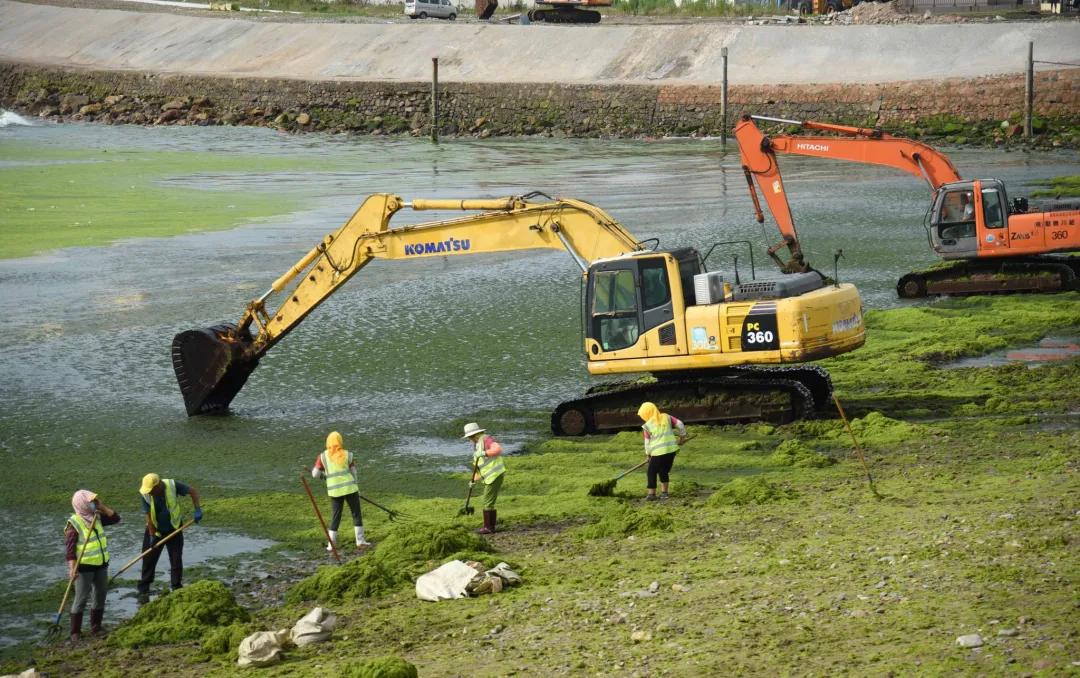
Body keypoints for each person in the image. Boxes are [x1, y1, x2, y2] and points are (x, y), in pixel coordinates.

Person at [64, 490, 120, 641]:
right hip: (83, 567)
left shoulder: (97, 517)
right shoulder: (74, 523)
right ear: (81, 504)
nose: (93, 503)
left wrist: (102, 506)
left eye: (94, 500)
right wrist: (72, 568)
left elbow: (115, 518)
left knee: (100, 594)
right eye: (91, 501)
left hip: (101, 564)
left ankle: (96, 627)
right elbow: (70, 550)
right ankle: (75, 632)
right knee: (81, 598)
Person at [137, 473, 201, 604]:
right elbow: (148, 517)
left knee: (176, 559)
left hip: (174, 529)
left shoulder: (172, 485)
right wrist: (151, 535)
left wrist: (197, 510)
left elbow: (193, 491)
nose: (150, 493)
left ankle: (176, 587)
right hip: (155, 531)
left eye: (151, 490)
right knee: (148, 558)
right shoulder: (145, 495)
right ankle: (144, 588)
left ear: (158, 485)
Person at [311, 431, 370, 550]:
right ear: (340, 441)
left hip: (335, 492)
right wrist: (357, 488)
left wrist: (324, 476)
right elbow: (354, 472)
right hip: (350, 489)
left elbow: (314, 474)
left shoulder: (322, 456)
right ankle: (360, 541)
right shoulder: (348, 455)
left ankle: (331, 545)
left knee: (335, 517)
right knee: (356, 514)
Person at [638, 402, 687, 501]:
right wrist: (682, 438)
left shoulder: (647, 426)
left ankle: (651, 494)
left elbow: (647, 443)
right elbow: (680, 424)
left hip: (658, 452)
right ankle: (664, 494)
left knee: (651, 472)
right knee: (663, 471)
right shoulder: (666, 417)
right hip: (671, 450)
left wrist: (648, 455)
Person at [463, 422, 505, 534]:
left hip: (495, 475)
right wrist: (473, 480)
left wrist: (483, 453)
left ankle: (489, 527)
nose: (469, 440)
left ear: (473, 436)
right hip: (490, 476)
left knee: (487, 501)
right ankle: (490, 526)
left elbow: (498, 450)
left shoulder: (486, 439)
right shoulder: (477, 444)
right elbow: (480, 466)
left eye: (469, 437)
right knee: (488, 501)